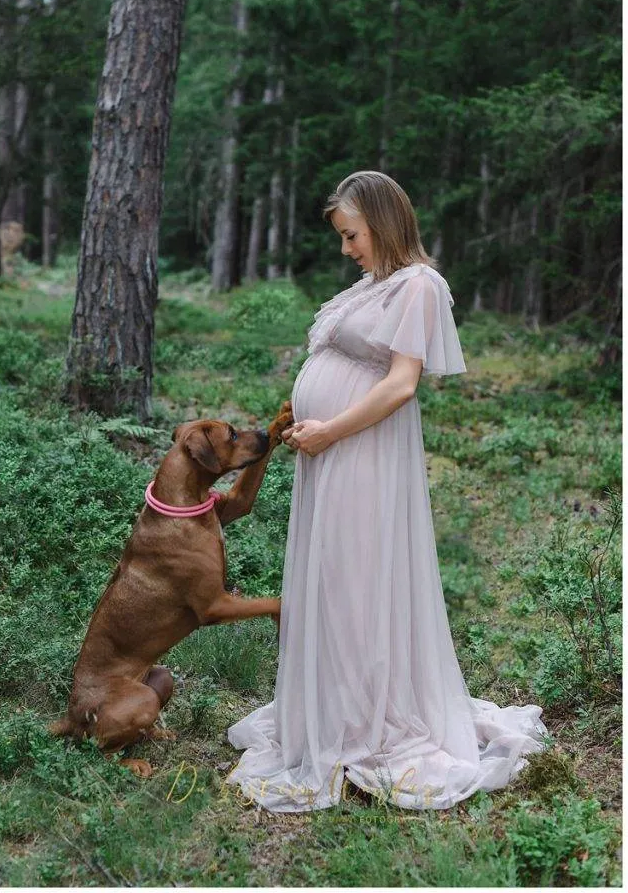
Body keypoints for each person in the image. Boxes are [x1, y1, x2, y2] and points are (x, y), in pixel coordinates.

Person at [224, 170, 549, 813]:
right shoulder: (372, 286)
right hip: (333, 452)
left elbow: (402, 383)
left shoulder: (420, 285)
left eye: (352, 235)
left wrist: (331, 431)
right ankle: (339, 707)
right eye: (343, 238)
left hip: (363, 452)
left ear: (383, 222)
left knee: (358, 574)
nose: (346, 249)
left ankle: (369, 720)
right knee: (334, 576)